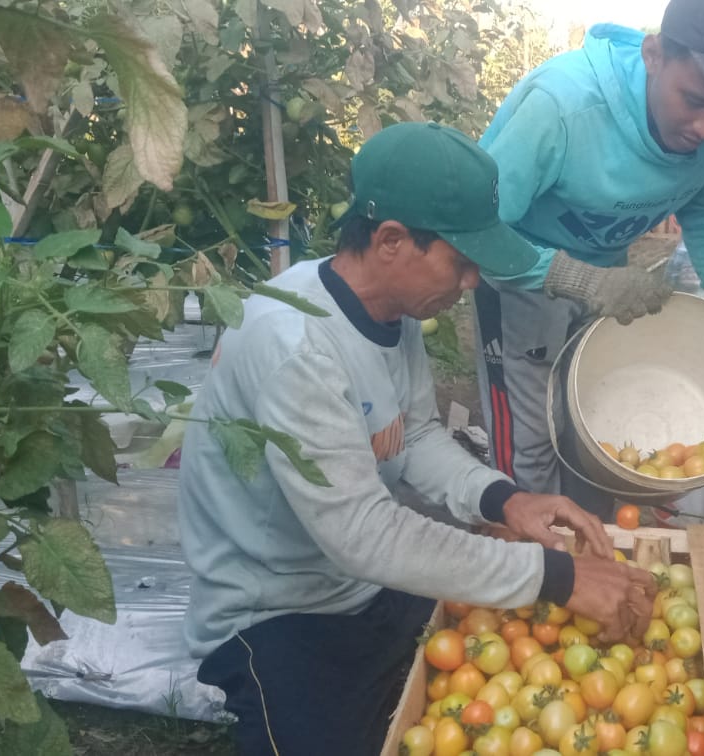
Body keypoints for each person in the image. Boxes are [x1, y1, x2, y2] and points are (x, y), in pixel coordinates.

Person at [177, 122, 658, 755]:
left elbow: (416, 434)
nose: (470, 284)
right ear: (391, 242)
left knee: (466, 677)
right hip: (272, 612)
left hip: (359, 587)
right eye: (460, 263)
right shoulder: (293, 348)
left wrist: (504, 499)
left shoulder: (391, 312)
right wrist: (558, 575)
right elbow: (365, 532)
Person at [472, 0, 704, 518]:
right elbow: (478, 230)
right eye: (693, 100)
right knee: (530, 438)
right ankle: (529, 561)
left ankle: (593, 544)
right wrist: (580, 279)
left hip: (606, 277)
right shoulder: (562, 106)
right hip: (519, 275)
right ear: (653, 55)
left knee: (591, 420)